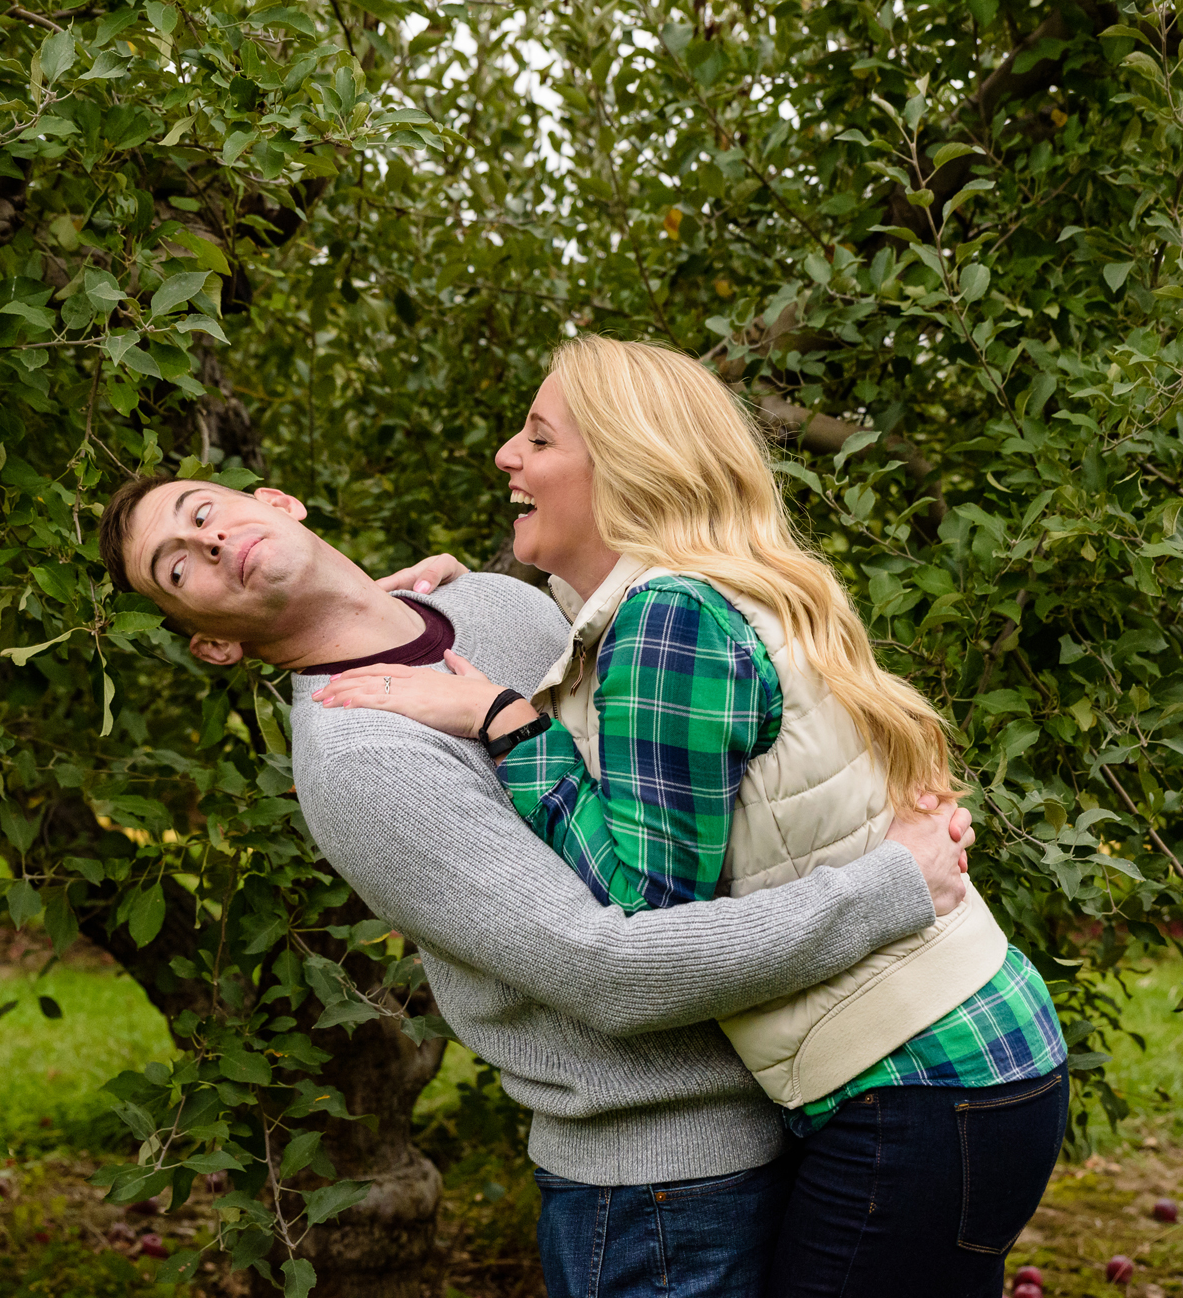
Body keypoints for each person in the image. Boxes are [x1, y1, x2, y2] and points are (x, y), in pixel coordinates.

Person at [96, 470, 978, 1298]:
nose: (207, 544)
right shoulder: (363, 760)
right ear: (213, 643)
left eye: (204, 512)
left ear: (280, 502)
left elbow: (674, 765)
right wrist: (889, 885)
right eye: (177, 565)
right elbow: (608, 970)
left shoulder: (490, 600)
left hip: (803, 1098)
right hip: (662, 1190)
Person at [312, 336, 1069, 1297]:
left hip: (915, 1084)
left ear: (625, 464)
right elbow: (619, 706)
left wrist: (501, 719)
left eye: (538, 437)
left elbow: (650, 909)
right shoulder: (717, 584)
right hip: (968, 1055)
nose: (506, 454)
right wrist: (467, 601)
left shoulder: (667, 624)